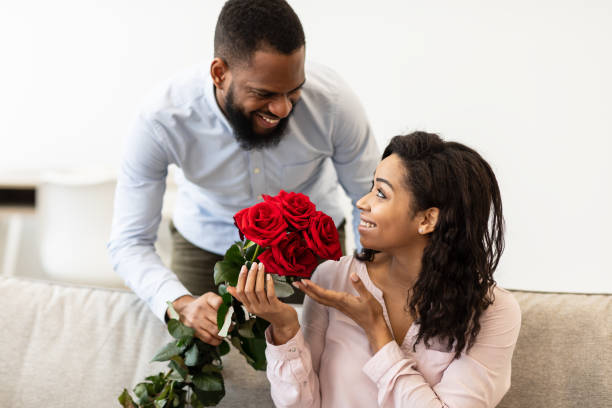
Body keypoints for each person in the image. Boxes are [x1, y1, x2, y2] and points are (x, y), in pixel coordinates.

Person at [107, 0, 379, 346]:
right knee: (201, 361)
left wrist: (366, 280)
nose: (282, 109)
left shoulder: (336, 104)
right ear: (219, 73)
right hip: (205, 247)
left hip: (309, 248)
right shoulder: (161, 120)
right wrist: (179, 302)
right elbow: (129, 241)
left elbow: (369, 204)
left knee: (322, 357)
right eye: (264, 94)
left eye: (293, 91)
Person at [227, 132, 522, 407]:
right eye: (371, 187)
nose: (362, 202)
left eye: (381, 193)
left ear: (427, 219)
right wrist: (285, 329)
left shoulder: (492, 311)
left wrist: (377, 331)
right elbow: (302, 404)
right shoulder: (333, 278)